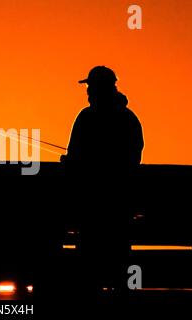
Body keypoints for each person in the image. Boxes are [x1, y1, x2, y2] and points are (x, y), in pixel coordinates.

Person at [61, 66, 144, 301]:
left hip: (92, 205)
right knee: (120, 252)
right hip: (121, 205)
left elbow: (75, 157)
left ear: (100, 89)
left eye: (90, 87)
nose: (87, 92)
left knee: (88, 255)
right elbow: (132, 159)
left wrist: (71, 163)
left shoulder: (86, 118)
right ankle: (123, 294)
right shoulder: (129, 119)